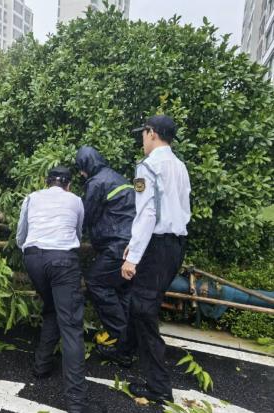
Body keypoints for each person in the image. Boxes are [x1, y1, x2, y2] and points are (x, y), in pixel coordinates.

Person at [120, 115, 191, 403]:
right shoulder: (180, 166)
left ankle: (159, 388)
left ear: (151, 133)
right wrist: (134, 246)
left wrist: (133, 256)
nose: (142, 140)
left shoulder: (146, 168)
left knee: (142, 310)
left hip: (156, 246)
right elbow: (181, 206)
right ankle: (124, 352)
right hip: (175, 245)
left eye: (143, 134)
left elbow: (147, 213)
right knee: (142, 303)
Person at [16, 167, 94, 413]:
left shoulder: (32, 197)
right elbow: (78, 234)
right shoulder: (76, 200)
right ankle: (77, 403)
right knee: (71, 327)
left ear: (45, 182)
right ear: (69, 185)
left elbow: (21, 235)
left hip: (33, 258)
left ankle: (41, 366)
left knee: (51, 309)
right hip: (62, 260)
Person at [75, 146, 135, 367]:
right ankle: (128, 344)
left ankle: (120, 335)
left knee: (96, 282)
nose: (81, 175)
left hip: (116, 244)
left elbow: (86, 215)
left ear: (86, 166)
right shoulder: (121, 178)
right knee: (123, 289)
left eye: (81, 170)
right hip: (134, 245)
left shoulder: (96, 182)